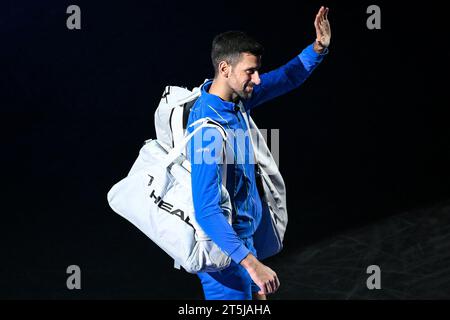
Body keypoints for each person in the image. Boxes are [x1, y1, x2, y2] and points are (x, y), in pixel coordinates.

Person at [186, 6, 331, 300]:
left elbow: (286, 78)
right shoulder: (207, 132)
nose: (258, 79)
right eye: (250, 72)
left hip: (243, 243)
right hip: (224, 257)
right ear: (225, 69)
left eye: (257, 71)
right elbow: (206, 211)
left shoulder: (236, 100)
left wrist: (318, 48)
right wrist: (251, 265)